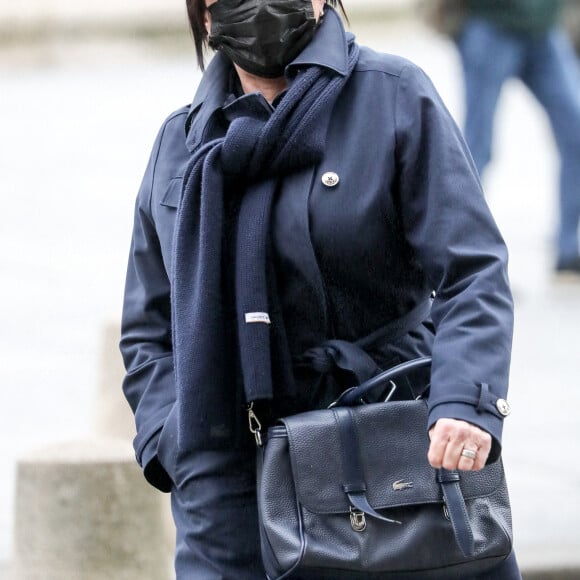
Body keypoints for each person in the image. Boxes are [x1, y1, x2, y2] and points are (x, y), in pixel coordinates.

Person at [119, 1, 520, 578]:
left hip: (387, 456)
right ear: (204, 15)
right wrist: (170, 437)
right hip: (227, 481)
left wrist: (464, 403)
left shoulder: (393, 95)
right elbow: (149, 323)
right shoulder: (181, 143)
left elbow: (472, 269)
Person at [456, 0, 580, 275]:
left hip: (544, 28)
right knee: (478, 147)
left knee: (576, 130)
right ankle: (459, 253)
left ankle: (570, 248)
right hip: (492, 23)